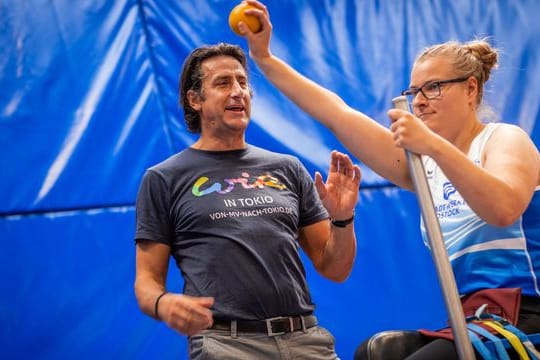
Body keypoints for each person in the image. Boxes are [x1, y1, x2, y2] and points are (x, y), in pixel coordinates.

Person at [237, 1, 540, 358]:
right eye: (414, 93)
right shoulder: (424, 164)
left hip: (527, 316)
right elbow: (336, 113)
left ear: (471, 89)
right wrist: (265, 59)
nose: (420, 102)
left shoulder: (504, 139)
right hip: (471, 318)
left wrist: (434, 147)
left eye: (434, 88)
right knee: (374, 352)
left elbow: (503, 209)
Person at [133, 42, 361, 360]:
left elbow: (334, 268)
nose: (238, 91)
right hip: (226, 345)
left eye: (242, 82)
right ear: (194, 99)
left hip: (306, 340)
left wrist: (342, 218)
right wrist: (162, 303)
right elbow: (146, 281)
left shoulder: (287, 167)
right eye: (223, 83)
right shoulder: (164, 178)